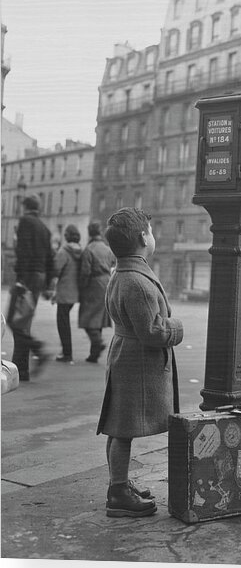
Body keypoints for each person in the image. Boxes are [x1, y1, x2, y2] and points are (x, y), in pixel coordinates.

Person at [96, 207, 184, 518]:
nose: (153, 235)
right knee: (122, 428)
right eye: (151, 230)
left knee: (120, 426)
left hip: (126, 355)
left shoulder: (122, 271)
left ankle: (119, 483)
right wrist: (177, 328)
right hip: (136, 362)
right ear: (143, 238)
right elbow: (152, 332)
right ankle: (118, 493)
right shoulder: (137, 281)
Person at [7, 193, 54, 381]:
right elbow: (50, 258)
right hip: (39, 277)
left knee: (12, 320)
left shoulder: (25, 221)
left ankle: (39, 350)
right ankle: (21, 370)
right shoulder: (44, 227)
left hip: (28, 275)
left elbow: (23, 249)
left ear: (26, 207)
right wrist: (48, 284)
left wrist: (20, 278)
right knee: (23, 321)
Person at [79, 220, 115, 363]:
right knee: (98, 319)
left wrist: (82, 286)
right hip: (106, 282)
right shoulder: (107, 248)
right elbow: (113, 262)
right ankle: (93, 354)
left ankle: (98, 342)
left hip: (93, 284)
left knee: (88, 318)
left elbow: (85, 271)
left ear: (89, 233)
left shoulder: (89, 249)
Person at [51, 224, 82, 364]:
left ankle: (67, 353)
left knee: (62, 324)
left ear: (67, 236)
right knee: (65, 322)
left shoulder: (64, 251)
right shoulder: (81, 251)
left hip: (64, 292)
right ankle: (66, 352)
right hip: (75, 292)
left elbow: (56, 269)